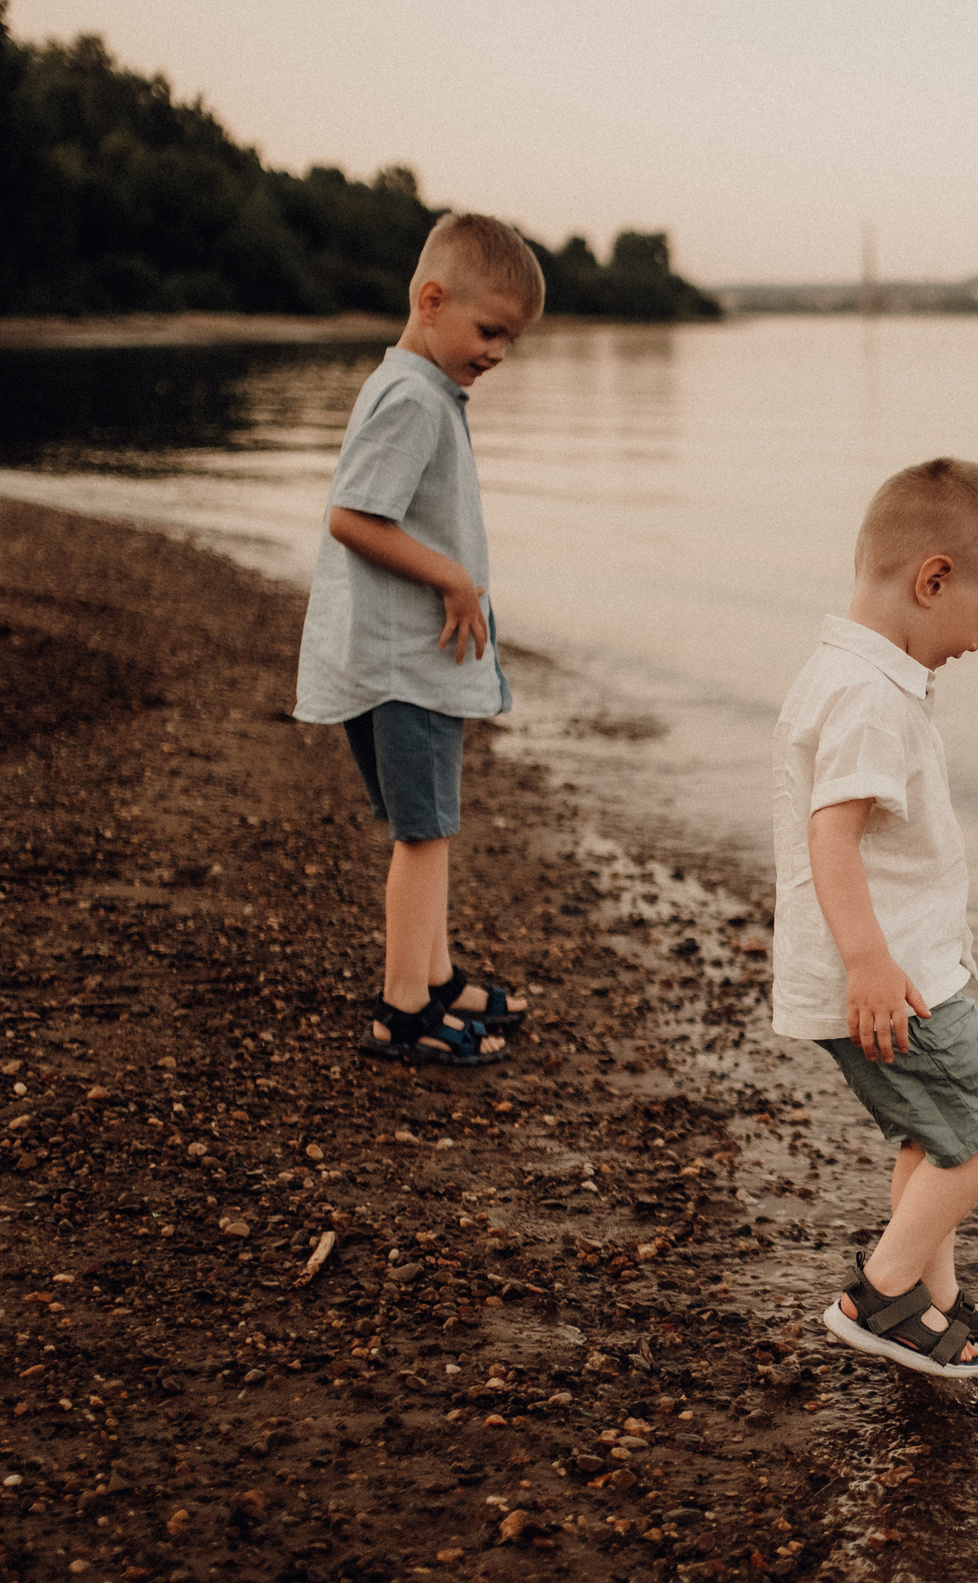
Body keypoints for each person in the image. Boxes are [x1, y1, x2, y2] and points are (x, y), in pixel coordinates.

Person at [773, 458, 978, 1378]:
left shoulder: (844, 673)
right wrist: (870, 962)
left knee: (937, 1130)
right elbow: (833, 835)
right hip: (892, 973)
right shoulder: (869, 697)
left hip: (885, 965)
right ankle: (883, 1291)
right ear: (933, 580)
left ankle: (933, 1299)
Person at [293, 212, 544, 1066]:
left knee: (424, 826)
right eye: (490, 330)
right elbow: (353, 518)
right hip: (405, 665)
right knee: (424, 834)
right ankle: (403, 1008)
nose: (499, 352)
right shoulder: (412, 399)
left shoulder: (417, 387)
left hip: (396, 659)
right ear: (431, 301)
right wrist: (452, 578)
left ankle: (433, 977)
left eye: (510, 339)